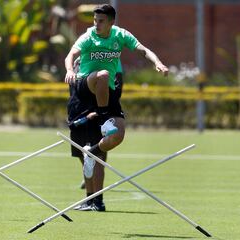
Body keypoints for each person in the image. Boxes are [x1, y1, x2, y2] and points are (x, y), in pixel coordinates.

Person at [64, 4, 168, 211]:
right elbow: (71, 55)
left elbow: (143, 50)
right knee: (102, 74)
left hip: (106, 92)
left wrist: (158, 63)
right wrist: (69, 70)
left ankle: (92, 155)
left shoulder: (120, 35)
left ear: (111, 22)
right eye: (95, 20)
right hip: (86, 86)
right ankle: (103, 123)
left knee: (117, 134)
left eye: (101, 21)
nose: (96, 24)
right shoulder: (88, 37)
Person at [67, 58, 124, 211]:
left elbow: (111, 92)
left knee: (97, 158)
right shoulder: (74, 76)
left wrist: (96, 114)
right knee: (85, 158)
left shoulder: (100, 72)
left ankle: (97, 201)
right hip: (77, 120)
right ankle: (89, 198)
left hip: (92, 119)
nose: (77, 64)